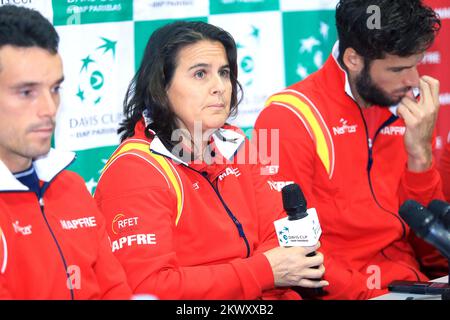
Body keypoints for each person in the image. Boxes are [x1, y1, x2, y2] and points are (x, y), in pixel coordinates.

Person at [94, 21, 328, 300]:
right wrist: (261, 271)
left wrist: (265, 273)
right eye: (200, 74)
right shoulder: (135, 169)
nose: (220, 87)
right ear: (161, 86)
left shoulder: (236, 143)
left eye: (224, 73)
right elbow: (149, 289)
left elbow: (281, 242)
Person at [254, 0, 447, 299]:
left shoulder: (411, 109)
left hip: (412, 286)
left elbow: (433, 250)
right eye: (398, 68)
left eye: (416, 64)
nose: (412, 80)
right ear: (353, 59)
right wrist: (368, 295)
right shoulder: (285, 117)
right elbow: (291, 249)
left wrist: (420, 154)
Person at [0, 5, 132, 299]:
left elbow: (115, 291)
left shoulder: (70, 187)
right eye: (26, 92)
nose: (49, 109)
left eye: (55, 89)